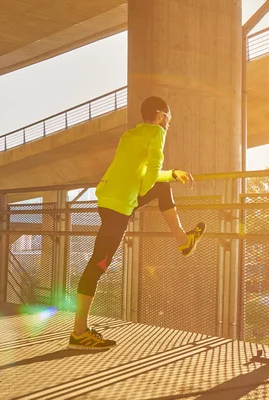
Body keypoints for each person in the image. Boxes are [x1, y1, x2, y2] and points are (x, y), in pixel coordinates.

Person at [68, 96, 205, 350]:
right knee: (97, 266)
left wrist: (172, 174)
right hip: (120, 206)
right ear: (161, 115)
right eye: (169, 118)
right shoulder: (156, 133)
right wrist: (140, 193)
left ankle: (184, 242)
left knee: (163, 188)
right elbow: (151, 170)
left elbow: (138, 172)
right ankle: (78, 333)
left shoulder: (130, 136)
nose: (169, 123)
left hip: (108, 199)